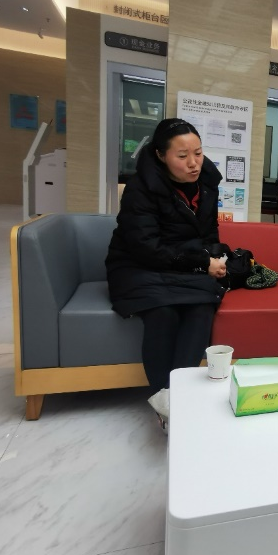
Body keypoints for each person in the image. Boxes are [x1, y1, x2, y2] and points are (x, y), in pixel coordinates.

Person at [106, 118, 228, 431]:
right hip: (138, 265)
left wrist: (213, 256)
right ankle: (167, 402)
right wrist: (201, 263)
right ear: (161, 155)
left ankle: (176, 400)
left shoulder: (207, 183)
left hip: (186, 263)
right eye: (182, 156)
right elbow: (145, 247)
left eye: (198, 153)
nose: (194, 163)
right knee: (162, 311)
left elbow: (209, 231)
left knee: (201, 307)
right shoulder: (140, 189)